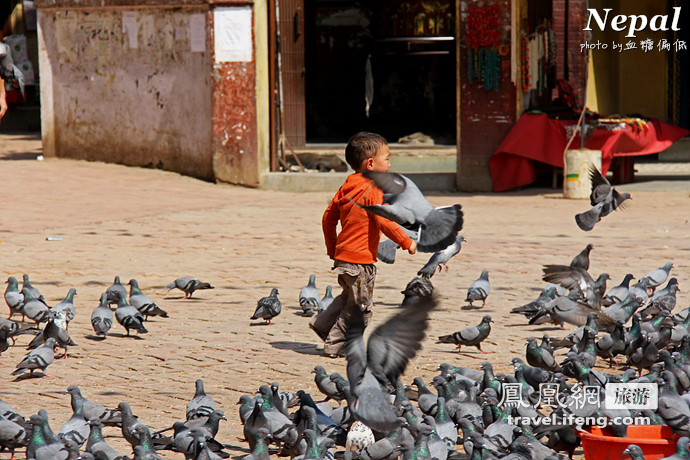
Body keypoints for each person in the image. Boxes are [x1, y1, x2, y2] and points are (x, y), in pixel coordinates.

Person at [310, 132, 417, 358]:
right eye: (386, 158)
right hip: (360, 262)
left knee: (348, 297)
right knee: (359, 308)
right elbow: (384, 220)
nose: (389, 163)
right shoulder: (372, 189)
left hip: (343, 258)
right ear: (371, 164)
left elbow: (328, 220)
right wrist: (406, 241)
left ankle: (323, 325)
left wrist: (333, 249)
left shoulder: (347, 186)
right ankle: (337, 345)